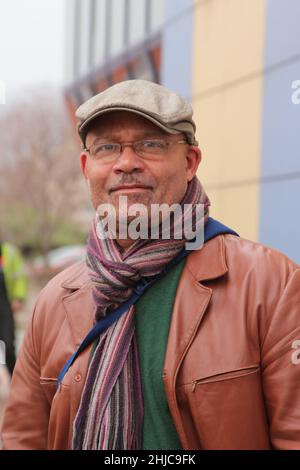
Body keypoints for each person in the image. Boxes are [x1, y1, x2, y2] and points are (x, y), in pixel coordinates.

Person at [2, 80, 300, 450]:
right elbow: (22, 440)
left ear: (190, 161)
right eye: (107, 147)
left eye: (150, 144)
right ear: (86, 166)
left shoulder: (271, 285)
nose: (126, 163)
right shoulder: (51, 305)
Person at [0, 241, 27, 375]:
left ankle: (16, 379)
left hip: (5, 306)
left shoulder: (9, 252)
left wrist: (19, 297)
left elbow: (20, 277)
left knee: (8, 345)